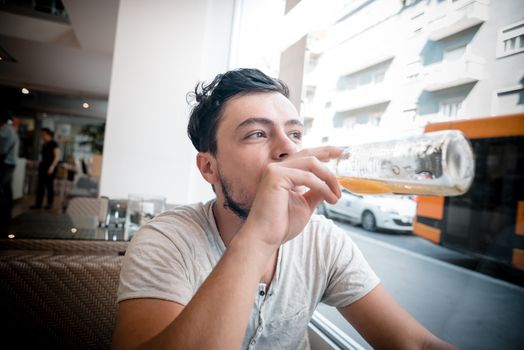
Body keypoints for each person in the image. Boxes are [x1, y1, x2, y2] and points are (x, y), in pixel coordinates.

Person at [112, 68, 457, 349]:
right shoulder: (166, 240)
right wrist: (259, 238)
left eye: (294, 133)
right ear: (208, 168)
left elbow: (415, 344)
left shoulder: (323, 241)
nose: (286, 149)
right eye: (257, 134)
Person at [31, 128, 60, 210]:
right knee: (40, 186)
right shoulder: (44, 144)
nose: (42, 136)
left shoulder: (54, 144)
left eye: (43, 134)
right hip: (43, 167)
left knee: (49, 186)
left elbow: (57, 157)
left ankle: (49, 204)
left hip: (50, 168)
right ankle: (38, 204)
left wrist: (52, 167)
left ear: (48, 134)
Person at [0, 109, 19, 233]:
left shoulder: (6, 129)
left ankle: (4, 213)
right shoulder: (10, 129)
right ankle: (7, 214)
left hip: (6, 163)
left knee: (2, 187)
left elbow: (2, 149)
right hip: (10, 163)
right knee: (6, 188)